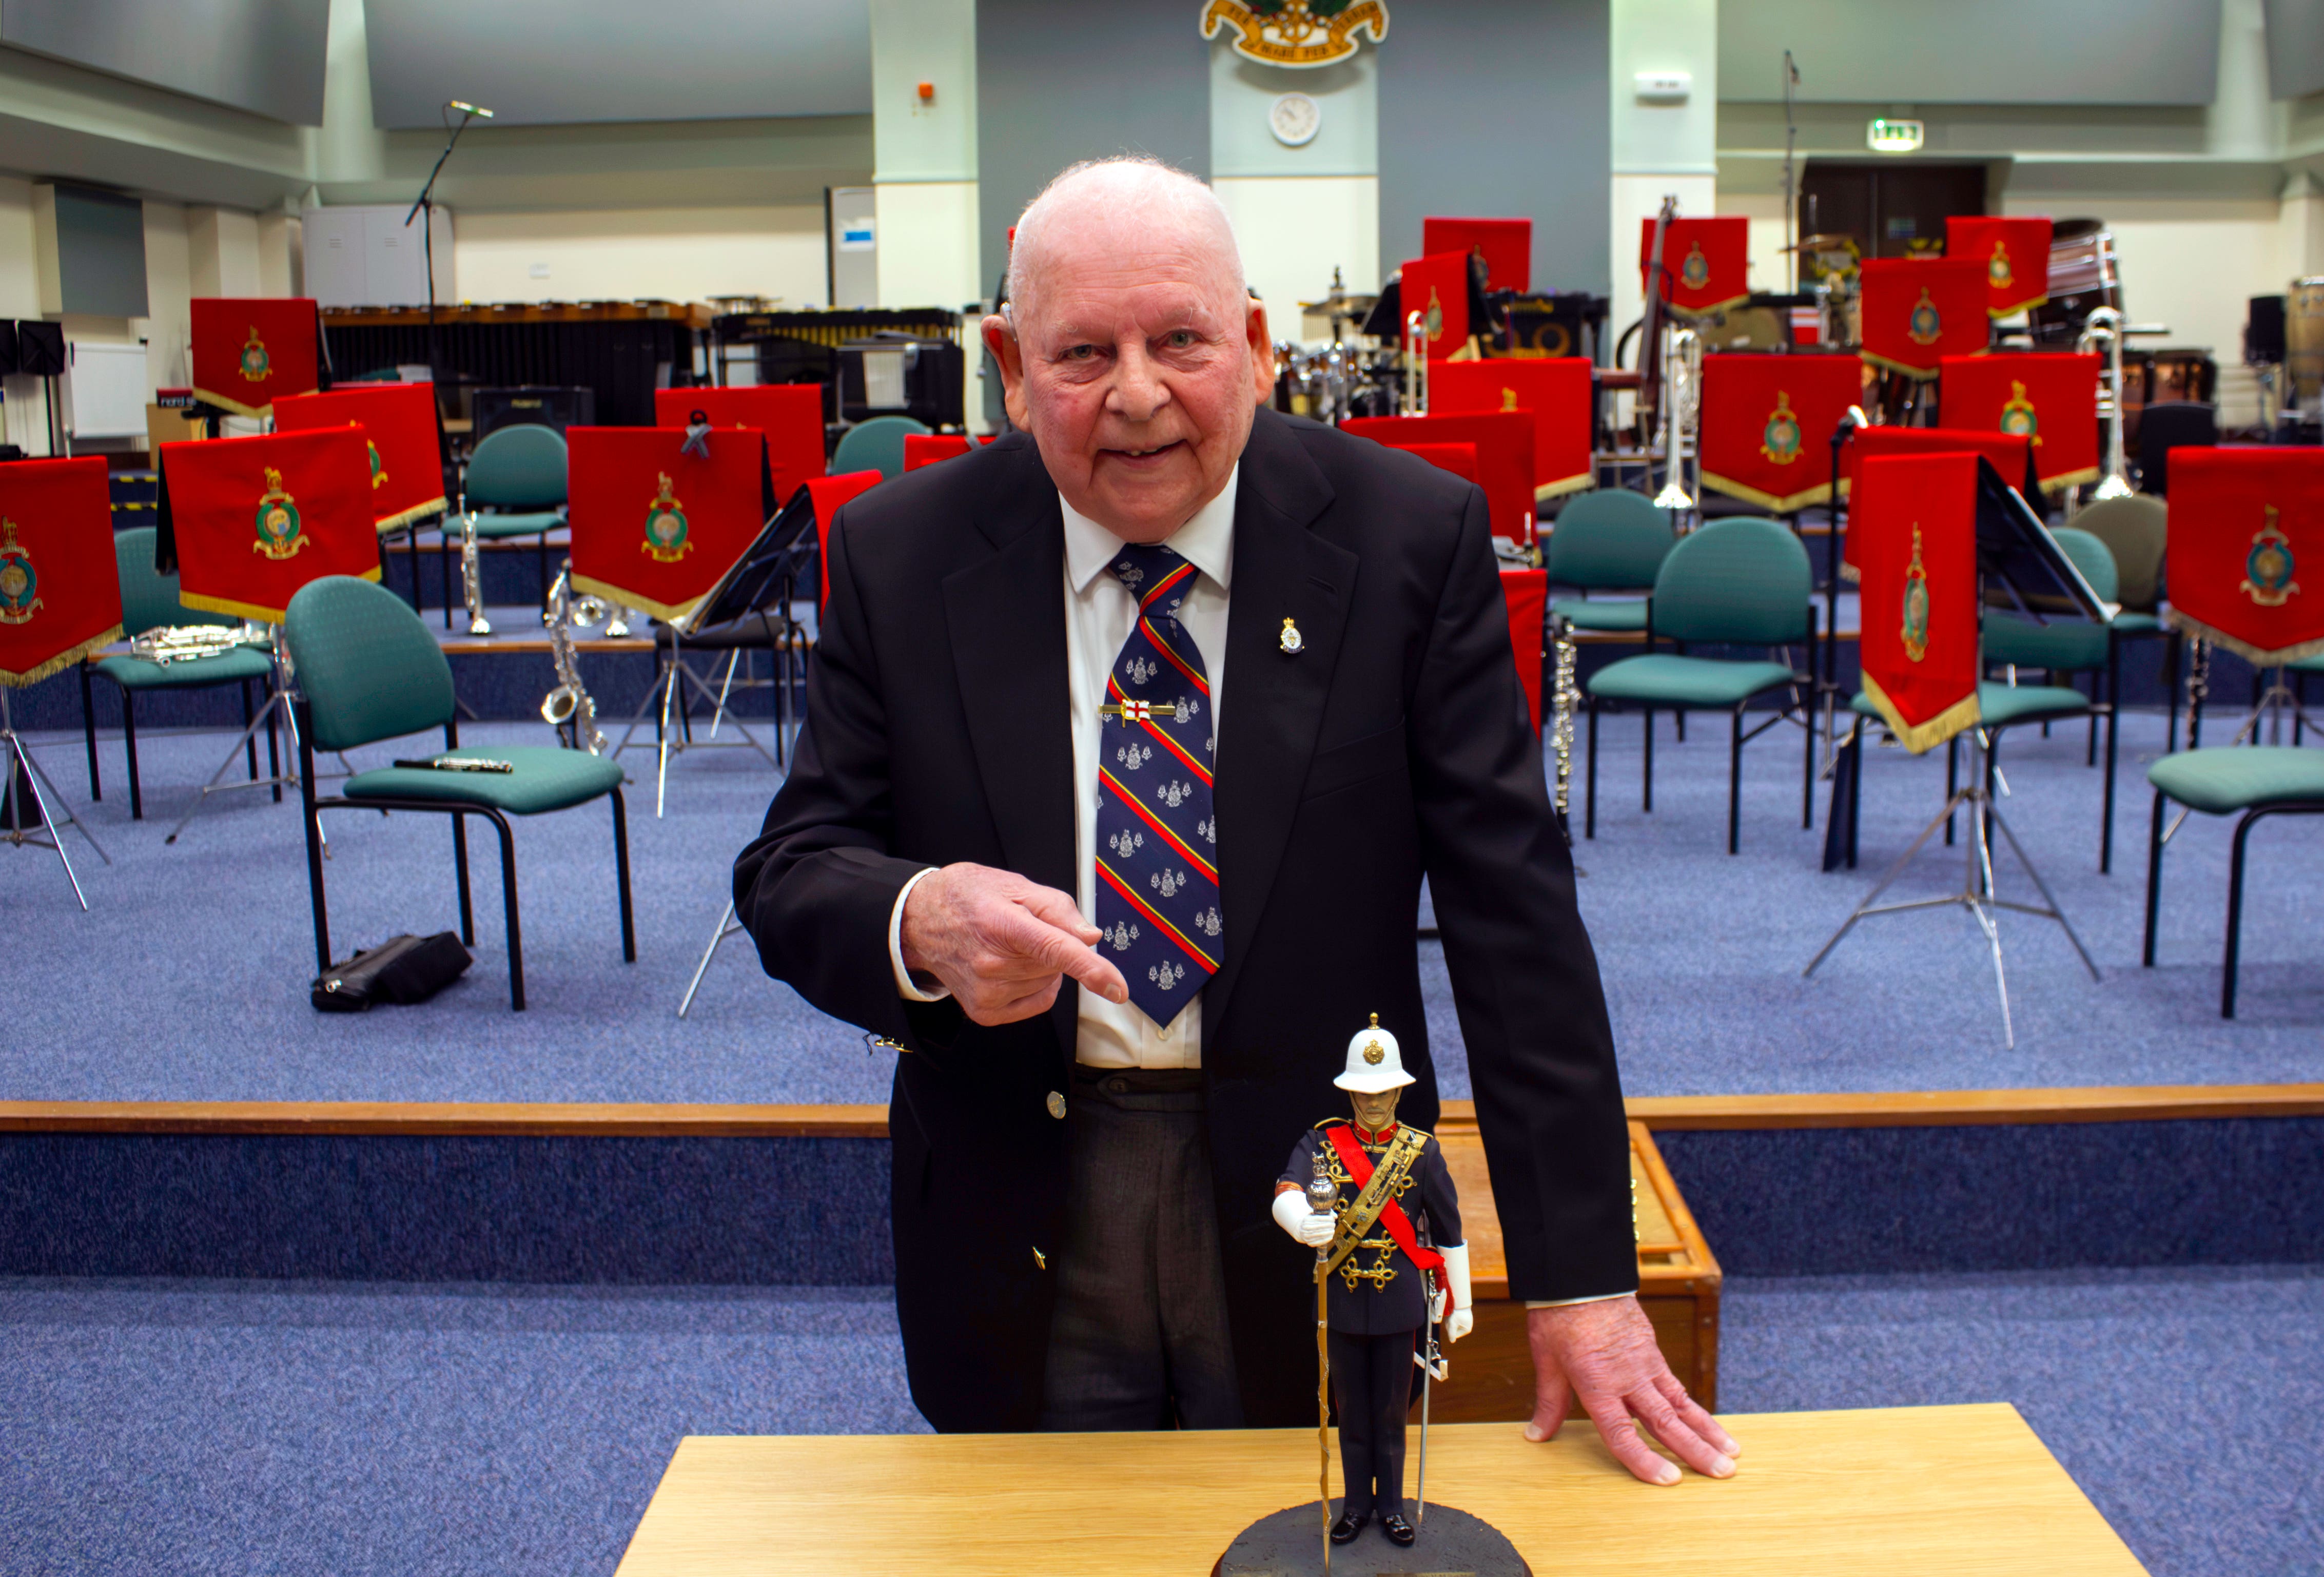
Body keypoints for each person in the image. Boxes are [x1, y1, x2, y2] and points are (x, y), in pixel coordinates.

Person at [732, 154, 1739, 1487]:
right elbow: (795, 867)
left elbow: (1519, 931)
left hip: (1321, 1195)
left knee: (1321, 1529)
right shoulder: (900, 554)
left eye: (1182, 340)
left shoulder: (1405, 541)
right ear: (1010, 365)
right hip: (1019, 1187)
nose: (1138, 395)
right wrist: (915, 919)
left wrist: (1581, 1279)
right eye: (1083, 351)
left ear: (1257, 346)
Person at [1274, 1016, 1472, 1547]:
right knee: (1350, 1412)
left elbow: (1449, 1233)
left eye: (1384, 1091)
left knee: (1390, 1414)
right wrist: (1300, 1220)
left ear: (1401, 1090)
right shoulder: (1321, 1143)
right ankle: (1356, 1505)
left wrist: (1461, 1302)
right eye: (1365, 1092)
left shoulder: (1422, 1151)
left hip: (1398, 1302)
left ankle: (1392, 1507)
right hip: (1339, 1298)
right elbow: (1286, 1188)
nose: (1375, 1101)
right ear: (1349, 1093)